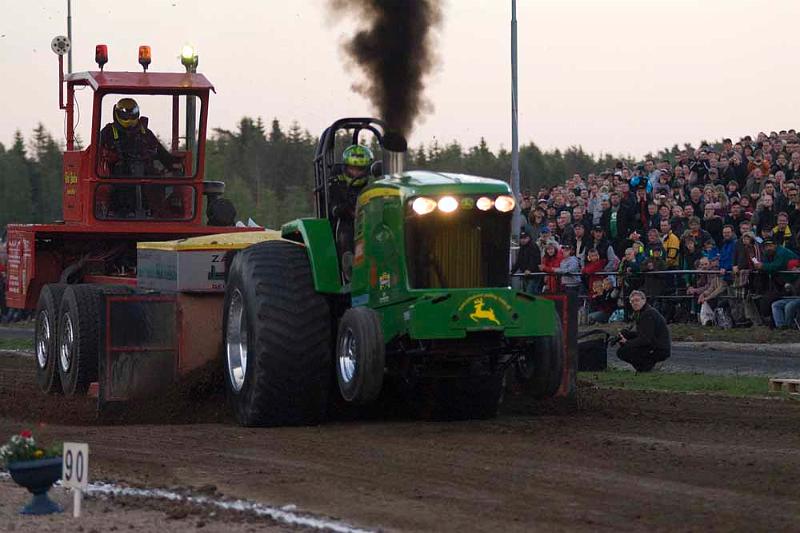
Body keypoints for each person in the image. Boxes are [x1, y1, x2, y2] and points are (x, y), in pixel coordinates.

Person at [99, 98, 182, 177]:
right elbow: (94, 155)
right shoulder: (107, 132)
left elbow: (161, 152)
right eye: (125, 113)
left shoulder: (146, 134)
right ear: (118, 113)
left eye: (132, 113)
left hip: (147, 182)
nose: (129, 117)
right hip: (115, 182)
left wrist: (173, 164)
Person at [329, 144, 374, 265]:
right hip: (345, 222)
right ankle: (349, 267)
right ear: (345, 167)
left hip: (370, 222)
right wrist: (347, 209)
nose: (355, 173)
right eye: (352, 168)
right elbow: (334, 209)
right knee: (346, 232)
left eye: (359, 169)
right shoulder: (337, 184)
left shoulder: (373, 186)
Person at [615, 290, 671, 372]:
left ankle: (647, 366)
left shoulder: (648, 314)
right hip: (656, 345)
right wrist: (626, 334)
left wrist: (627, 342)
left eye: (637, 300)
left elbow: (646, 339)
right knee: (626, 340)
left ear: (644, 300)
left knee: (623, 352)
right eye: (632, 301)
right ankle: (645, 366)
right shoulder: (642, 312)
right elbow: (643, 333)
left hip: (659, 349)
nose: (635, 303)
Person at [511, 230, 541, 294]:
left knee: (529, 293)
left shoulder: (533, 246)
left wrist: (529, 269)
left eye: (525, 238)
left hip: (533, 275)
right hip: (525, 275)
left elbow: (535, 260)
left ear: (529, 238)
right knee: (526, 294)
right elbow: (519, 261)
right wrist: (512, 271)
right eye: (521, 238)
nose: (523, 240)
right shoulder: (522, 248)